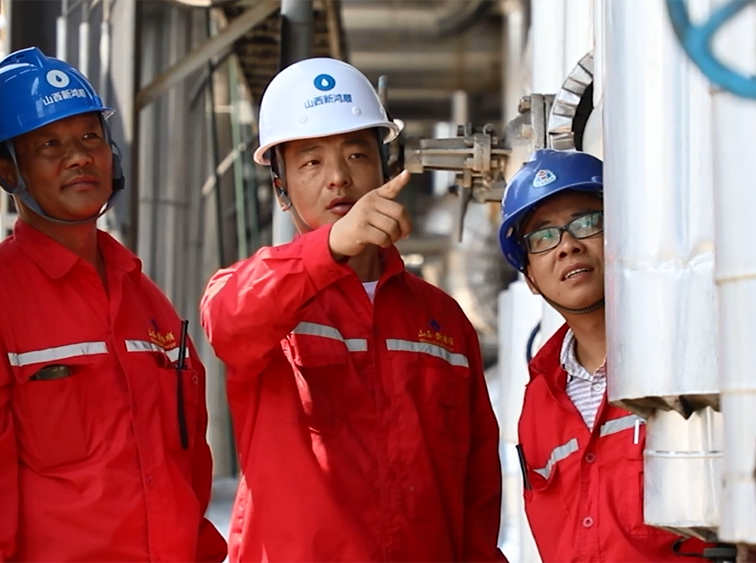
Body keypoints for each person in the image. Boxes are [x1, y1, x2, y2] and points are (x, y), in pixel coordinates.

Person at [200, 57, 507, 563]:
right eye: (311, 162)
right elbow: (230, 322)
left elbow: (476, 492)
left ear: (385, 168)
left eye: (357, 154)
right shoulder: (253, 292)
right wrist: (329, 249)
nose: (338, 178)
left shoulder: (444, 321)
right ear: (281, 189)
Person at [0, 47, 226, 563]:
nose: (79, 157)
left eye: (90, 138)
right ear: (8, 172)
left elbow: (188, 467)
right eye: (49, 144)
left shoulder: (147, 301)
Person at [499, 149, 708, 563]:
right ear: (530, 279)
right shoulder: (539, 400)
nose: (567, 246)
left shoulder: (691, 355)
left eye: (586, 222)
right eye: (543, 237)